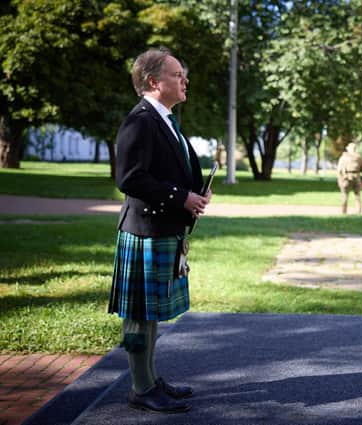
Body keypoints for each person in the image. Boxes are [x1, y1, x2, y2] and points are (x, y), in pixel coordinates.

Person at [108, 47, 211, 414]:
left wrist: (194, 193)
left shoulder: (164, 119)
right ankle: (140, 387)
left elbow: (169, 168)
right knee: (140, 314)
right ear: (154, 82)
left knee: (150, 314)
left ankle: (150, 379)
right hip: (145, 231)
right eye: (177, 75)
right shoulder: (139, 121)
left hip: (161, 227)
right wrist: (180, 197)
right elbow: (130, 178)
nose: (185, 80)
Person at [337, 142, 362, 214]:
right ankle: (344, 212)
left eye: (354, 148)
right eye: (352, 148)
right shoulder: (344, 157)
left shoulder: (358, 158)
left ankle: (358, 212)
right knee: (345, 196)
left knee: (357, 196)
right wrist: (340, 180)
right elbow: (339, 171)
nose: (353, 149)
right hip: (347, 178)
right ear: (348, 149)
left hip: (355, 177)